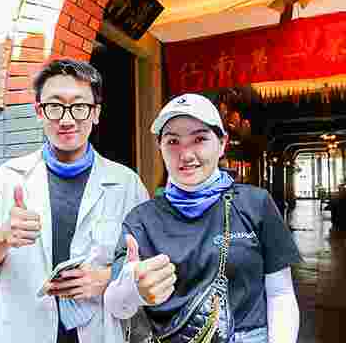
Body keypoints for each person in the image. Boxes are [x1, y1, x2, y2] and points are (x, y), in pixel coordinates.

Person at [0, 59, 149, 343]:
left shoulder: (126, 184)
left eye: (79, 107)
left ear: (96, 113)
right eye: (54, 106)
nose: (66, 120)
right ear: (39, 112)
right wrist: (3, 237)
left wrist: (107, 277)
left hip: (98, 332)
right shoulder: (5, 179)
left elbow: (145, 263)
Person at [105, 93, 303, 343]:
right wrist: (133, 289)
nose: (186, 154)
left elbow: (280, 293)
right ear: (160, 148)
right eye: (173, 141)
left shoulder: (256, 204)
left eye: (199, 139)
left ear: (222, 144)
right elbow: (116, 305)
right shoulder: (141, 219)